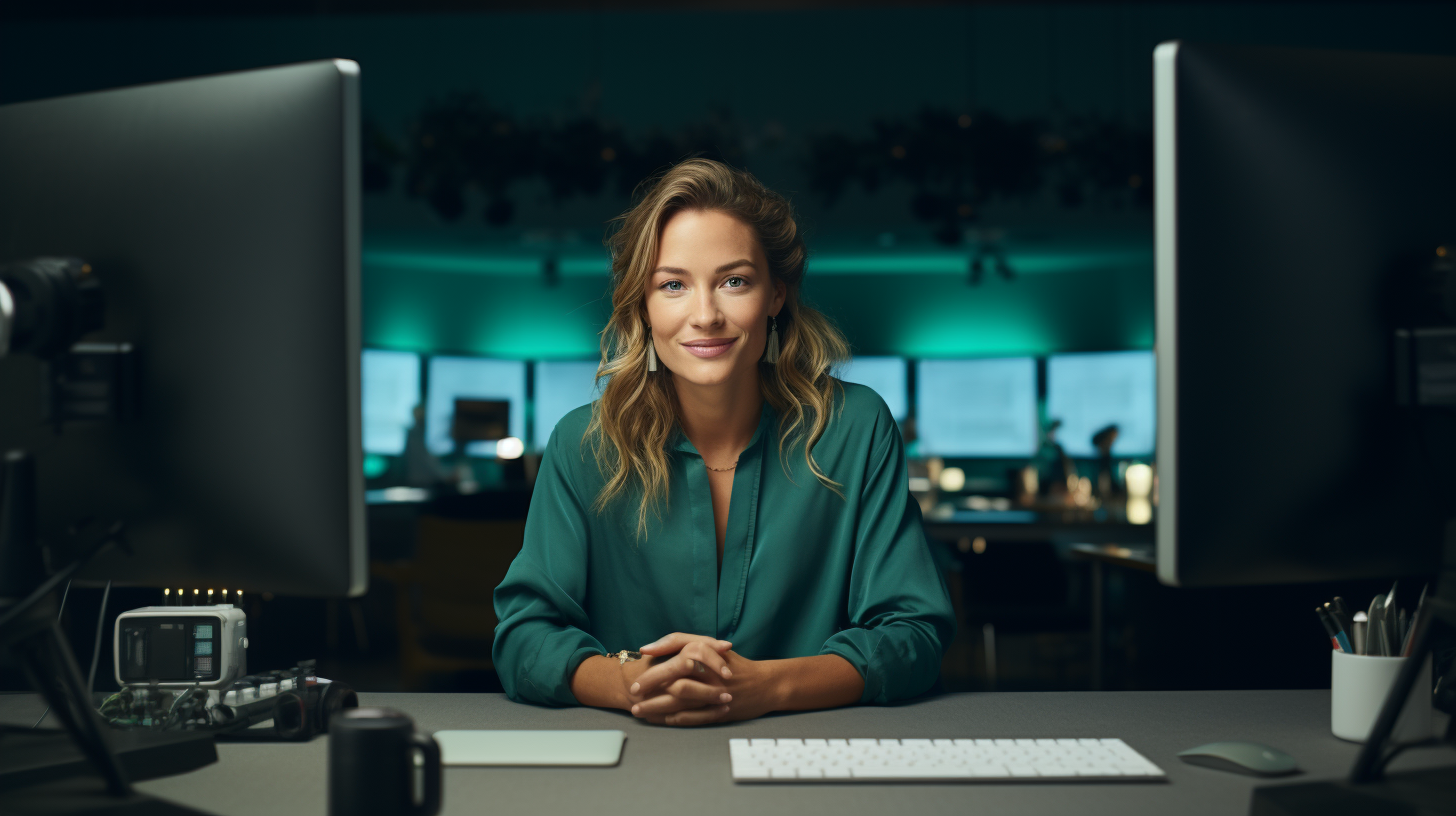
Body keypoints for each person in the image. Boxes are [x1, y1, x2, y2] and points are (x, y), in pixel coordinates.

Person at [492, 159, 954, 726]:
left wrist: (767, 686)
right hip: (630, 762)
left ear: (775, 294)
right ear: (643, 302)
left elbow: (913, 634)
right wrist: (631, 683)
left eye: (734, 281)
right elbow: (523, 638)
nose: (705, 315)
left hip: (809, 755)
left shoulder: (856, 427)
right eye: (673, 285)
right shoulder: (582, 443)